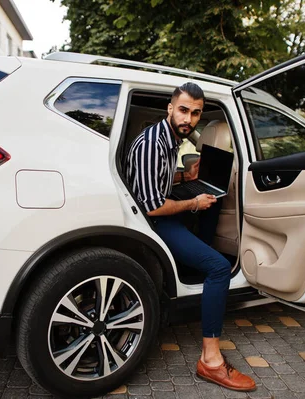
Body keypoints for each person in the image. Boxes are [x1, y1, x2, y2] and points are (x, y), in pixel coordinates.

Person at [126, 83, 256, 392]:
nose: (190, 119)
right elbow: (154, 205)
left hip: (157, 206)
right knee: (220, 267)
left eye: (196, 113)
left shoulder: (169, 139)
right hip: (150, 222)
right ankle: (211, 361)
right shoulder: (152, 144)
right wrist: (193, 203)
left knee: (214, 194)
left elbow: (157, 182)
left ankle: (199, 261)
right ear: (170, 109)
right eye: (183, 110)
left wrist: (188, 179)